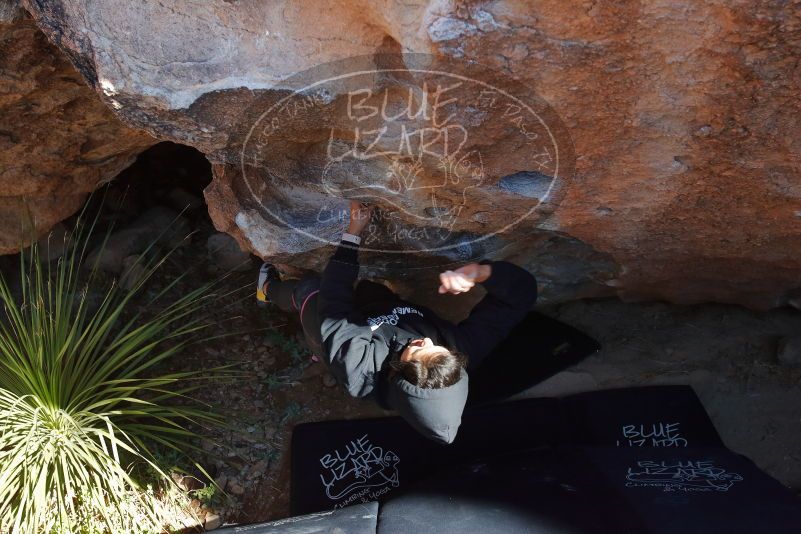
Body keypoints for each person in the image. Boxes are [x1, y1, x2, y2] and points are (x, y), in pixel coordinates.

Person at [256, 202, 538, 444]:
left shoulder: (357, 364)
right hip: (378, 313)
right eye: (436, 348)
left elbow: (334, 297)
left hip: (337, 329)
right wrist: (480, 273)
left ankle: (266, 290)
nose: (425, 340)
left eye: (416, 350)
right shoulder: (459, 351)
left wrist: (353, 233)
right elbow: (519, 297)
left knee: (310, 290)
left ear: (394, 373)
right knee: (370, 291)